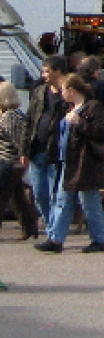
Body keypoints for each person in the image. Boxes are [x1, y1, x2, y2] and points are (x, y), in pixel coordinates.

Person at [36, 74, 104, 254]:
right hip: (67, 161)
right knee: (62, 200)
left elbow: (101, 132)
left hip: (85, 162)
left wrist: (80, 123)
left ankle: (98, 240)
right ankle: (55, 239)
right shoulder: (69, 108)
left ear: (71, 91)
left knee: (89, 201)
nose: (61, 94)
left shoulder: (92, 107)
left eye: (63, 90)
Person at [20, 55, 68, 230]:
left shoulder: (66, 94)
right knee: (39, 194)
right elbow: (29, 121)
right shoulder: (40, 91)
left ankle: (55, 232)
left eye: (47, 71)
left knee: (56, 195)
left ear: (58, 72)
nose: (44, 75)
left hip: (56, 152)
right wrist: (24, 151)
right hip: (37, 151)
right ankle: (50, 227)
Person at [0, 80, 41, 240]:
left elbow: (19, 140)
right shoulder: (8, 114)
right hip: (9, 161)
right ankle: (30, 227)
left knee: (2, 196)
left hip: (9, 161)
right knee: (17, 197)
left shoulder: (10, 116)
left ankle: (29, 227)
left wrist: (22, 158)